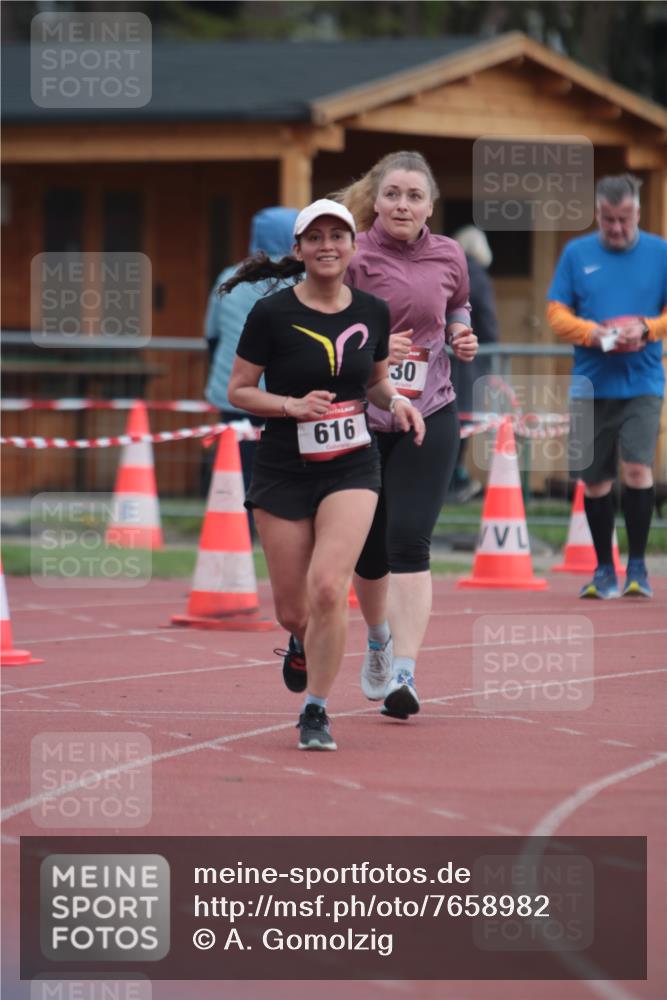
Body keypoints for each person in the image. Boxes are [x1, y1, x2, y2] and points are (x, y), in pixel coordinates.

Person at [226, 198, 425, 750]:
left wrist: (399, 403)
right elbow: (238, 390)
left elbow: (377, 383)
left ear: (353, 247)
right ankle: (301, 642)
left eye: (338, 235)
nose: (328, 245)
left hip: (353, 464)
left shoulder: (373, 311)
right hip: (284, 466)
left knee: (329, 587)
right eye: (315, 237)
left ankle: (315, 711)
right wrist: (290, 406)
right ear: (299, 249)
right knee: (294, 609)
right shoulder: (271, 313)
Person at [334, 150, 478, 719]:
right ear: (376, 197)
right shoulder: (352, 252)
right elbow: (321, 322)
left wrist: (462, 333)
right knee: (369, 553)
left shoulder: (449, 254)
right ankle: (377, 640)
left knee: (410, 539)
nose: (402, 205)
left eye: (414, 196)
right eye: (393, 194)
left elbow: (458, 303)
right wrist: (369, 346)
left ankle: (405, 675)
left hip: (432, 410)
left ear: (430, 206)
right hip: (362, 415)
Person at [547, 173, 667, 599]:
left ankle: (638, 566)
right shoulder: (577, 253)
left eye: (625, 219)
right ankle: (603, 570)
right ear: (597, 213)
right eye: (608, 219)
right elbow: (555, 312)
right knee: (595, 481)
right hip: (590, 383)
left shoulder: (660, 251)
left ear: (638, 212)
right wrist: (591, 333)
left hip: (643, 380)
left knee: (636, 467)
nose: (617, 228)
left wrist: (648, 328)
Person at [204, 207, 299, 532]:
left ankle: (235, 530)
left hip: (232, 391)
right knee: (286, 467)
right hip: (284, 394)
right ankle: (280, 528)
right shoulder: (302, 279)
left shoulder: (229, 277)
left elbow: (212, 335)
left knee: (236, 468)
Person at [450, 225, 500, 502]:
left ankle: (451, 480)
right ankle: (454, 481)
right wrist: (493, 352)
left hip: (445, 358)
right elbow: (488, 319)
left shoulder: (448, 270)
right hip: (468, 360)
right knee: (463, 418)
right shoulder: (478, 276)